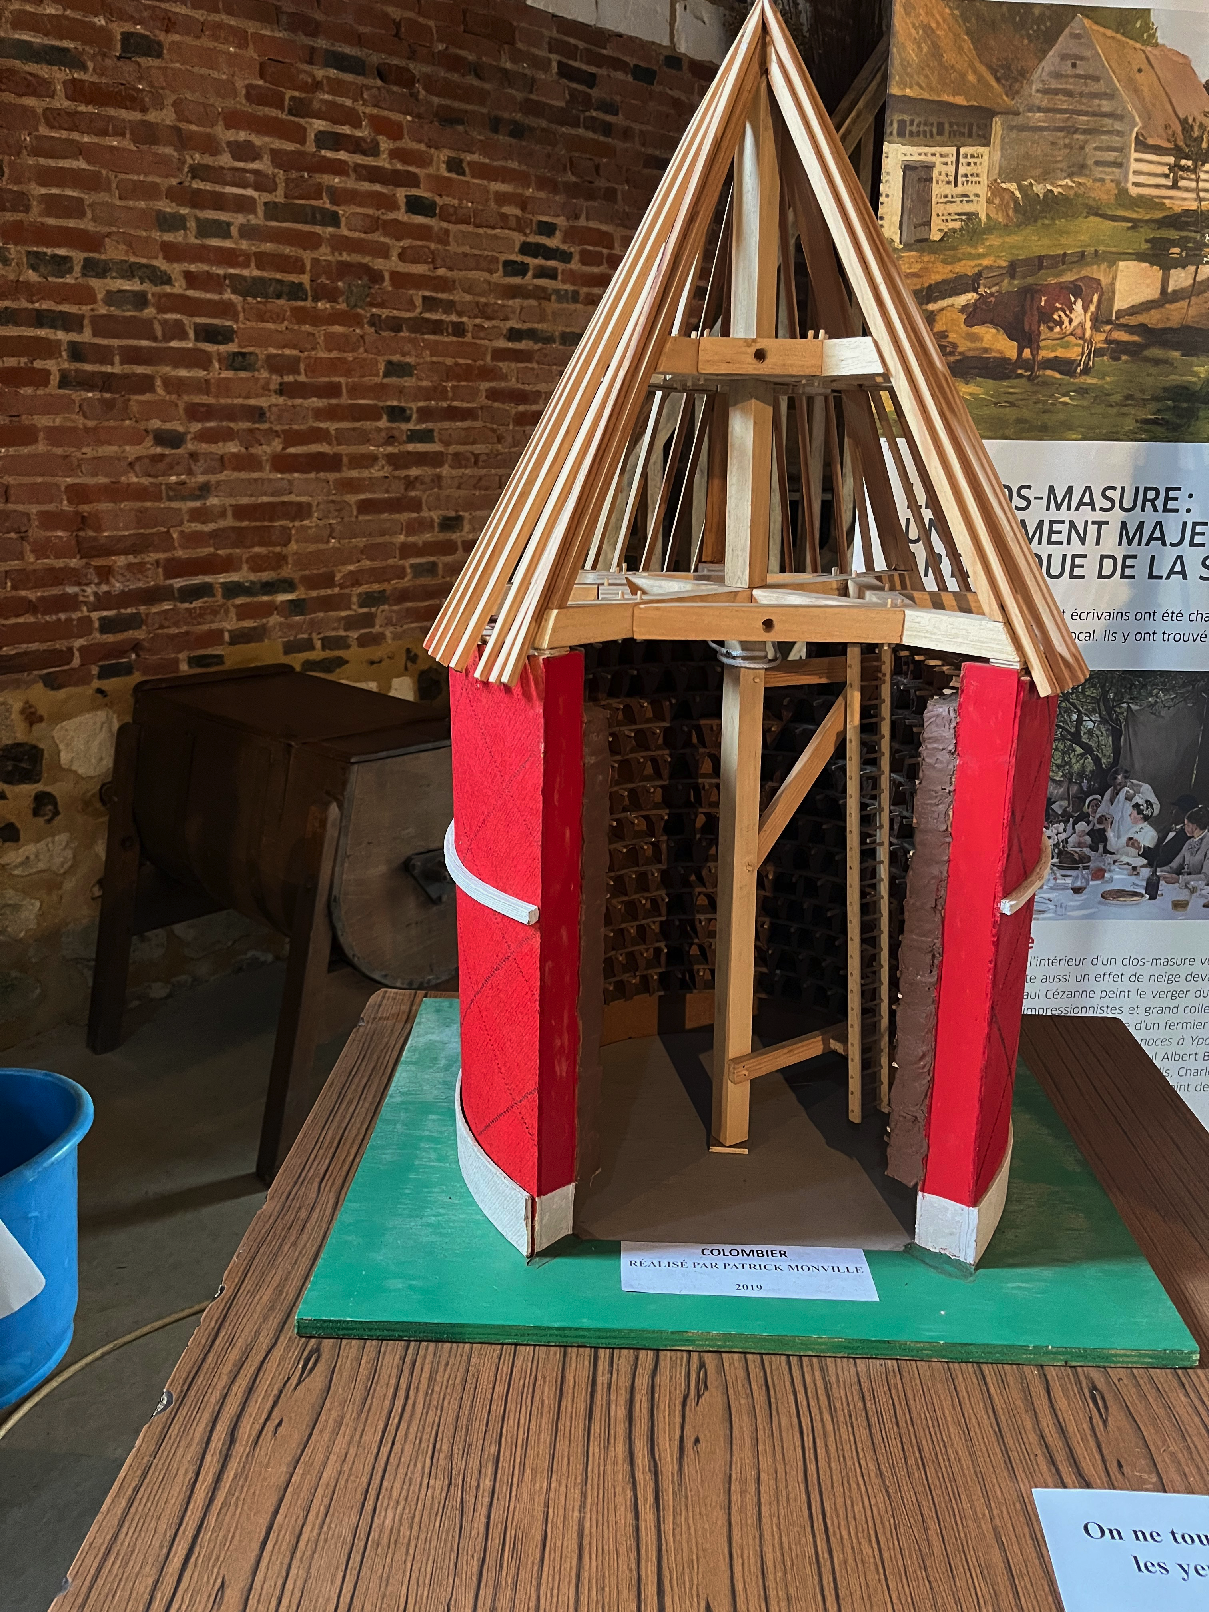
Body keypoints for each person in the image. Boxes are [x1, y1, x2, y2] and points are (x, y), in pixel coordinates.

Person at [1148, 793, 1200, 869]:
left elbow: (1169, 860)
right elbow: (1155, 852)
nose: (1171, 812)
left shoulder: (1186, 836)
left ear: (1183, 814)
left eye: (1174, 809)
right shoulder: (1167, 830)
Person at [1161, 805, 1209, 882]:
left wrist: (1180, 879)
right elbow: (1173, 867)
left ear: (1195, 826)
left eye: (1187, 825)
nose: (1184, 827)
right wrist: (1153, 871)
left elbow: (1206, 877)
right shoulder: (1189, 842)